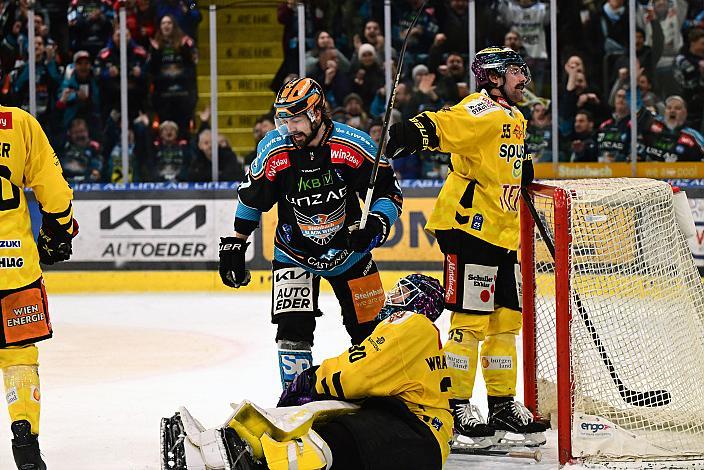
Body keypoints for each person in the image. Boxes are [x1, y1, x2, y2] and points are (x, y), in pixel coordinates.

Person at [383, 46, 546, 447]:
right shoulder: (482, 107)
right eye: (514, 71)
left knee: (505, 322)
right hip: (469, 229)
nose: (523, 76)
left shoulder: (515, 116)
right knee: (470, 322)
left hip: (502, 232)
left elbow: (499, 160)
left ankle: (503, 405)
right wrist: (411, 133)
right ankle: (455, 406)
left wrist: (520, 167)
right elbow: (447, 123)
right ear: (493, 77)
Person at [218, 77, 402, 390]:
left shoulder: (354, 145)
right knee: (292, 333)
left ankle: (379, 396)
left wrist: (375, 226)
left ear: (316, 113)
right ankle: (295, 396)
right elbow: (252, 197)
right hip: (293, 253)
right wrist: (237, 242)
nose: (290, 128)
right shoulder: (274, 150)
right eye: (284, 120)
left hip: (351, 253)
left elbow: (390, 194)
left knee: (371, 332)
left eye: (297, 119)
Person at [161, 274, 453, 470]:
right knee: (318, 419)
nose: (393, 296)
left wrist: (316, 379)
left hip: (418, 434)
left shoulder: (412, 325)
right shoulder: (416, 336)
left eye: (403, 292)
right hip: (412, 431)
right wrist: (319, 377)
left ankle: (246, 460)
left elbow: (357, 375)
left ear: (421, 302)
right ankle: (228, 441)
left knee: (330, 436)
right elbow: (361, 367)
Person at [0, 105, 78, 469]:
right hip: (13, 266)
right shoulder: (17, 123)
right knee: (18, 355)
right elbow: (54, 189)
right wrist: (59, 228)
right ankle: (25, 444)